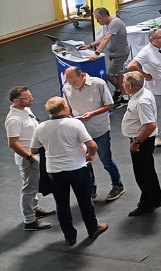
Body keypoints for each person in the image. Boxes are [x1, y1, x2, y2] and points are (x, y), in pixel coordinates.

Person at [30, 97, 108, 246]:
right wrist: (90, 155)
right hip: (77, 168)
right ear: (65, 108)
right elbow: (92, 144)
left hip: (54, 171)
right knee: (85, 201)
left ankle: (70, 236)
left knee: (61, 204)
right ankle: (92, 229)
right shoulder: (74, 123)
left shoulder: (41, 127)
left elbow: (34, 149)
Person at [62, 67, 122, 202]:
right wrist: (71, 117)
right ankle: (91, 187)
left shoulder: (98, 84)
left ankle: (118, 185)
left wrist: (92, 114)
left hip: (99, 129)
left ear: (82, 75)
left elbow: (110, 105)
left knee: (106, 160)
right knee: (85, 162)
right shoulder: (67, 88)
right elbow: (68, 109)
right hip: (80, 132)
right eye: (68, 81)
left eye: (73, 80)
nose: (71, 84)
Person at [7, 86, 53, 232]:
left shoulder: (25, 109)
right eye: (27, 97)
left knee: (33, 187)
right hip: (28, 158)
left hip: (35, 155)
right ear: (16, 100)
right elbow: (13, 143)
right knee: (29, 189)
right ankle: (29, 220)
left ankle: (34, 210)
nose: (31, 99)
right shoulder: (14, 119)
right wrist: (29, 156)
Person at [121, 71, 161, 217]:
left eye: (124, 82)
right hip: (143, 139)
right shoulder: (142, 93)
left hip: (141, 141)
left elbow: (150, 125)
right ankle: (155, 198)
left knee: (142, 173)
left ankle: (147, 203)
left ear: (131, 85)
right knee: (148, 170)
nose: (122, 85)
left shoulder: (142, 101)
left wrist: (137, 142)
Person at [78, 7, 130, 102]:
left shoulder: (115, 22)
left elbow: (106, 39)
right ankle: (124, 93)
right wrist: (90, 45)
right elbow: (103, 37)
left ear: (105, 16)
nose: (97, 21)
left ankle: (122, 91)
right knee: (119, 74)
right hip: (114, 53)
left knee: (110, 75)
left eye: (98, 18)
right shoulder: (108, 24)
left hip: (120, 54)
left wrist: (96, 53)